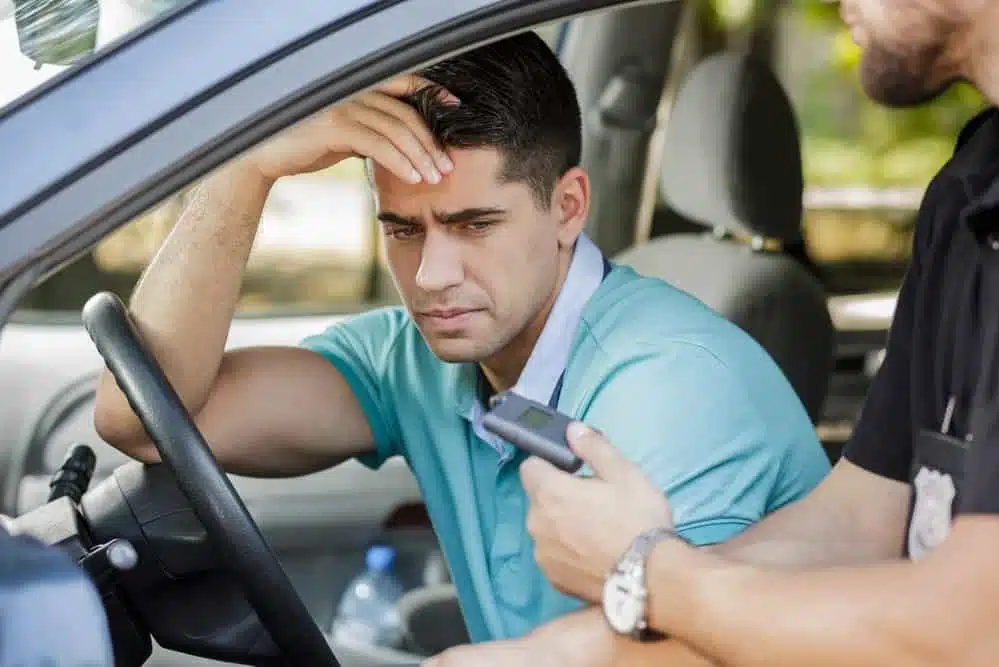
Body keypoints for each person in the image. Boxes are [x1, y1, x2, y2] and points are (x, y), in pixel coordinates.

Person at [93, 31, 829, 644]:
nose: (432, 276)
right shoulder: (417, 358)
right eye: (403, 229)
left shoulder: (677, 386)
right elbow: (145, 420)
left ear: (568, 207)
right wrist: (245, 168)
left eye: (474, 224)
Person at [422, 1, 999, 665]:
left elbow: (973, 633)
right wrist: (549, 653)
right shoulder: (970, 191)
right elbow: (861, 518)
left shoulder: (679, 370)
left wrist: (648, 569)